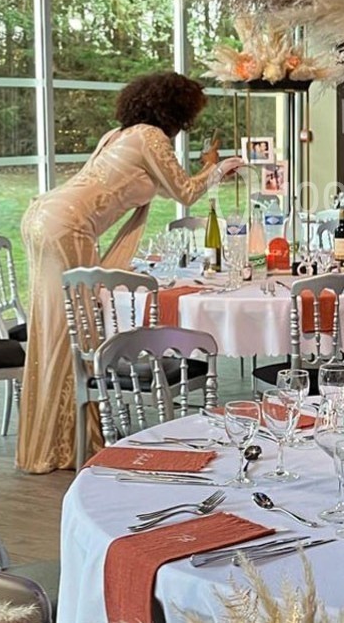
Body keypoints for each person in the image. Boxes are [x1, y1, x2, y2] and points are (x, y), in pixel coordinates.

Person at [17, 72, 242, 473]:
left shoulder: (119, 135)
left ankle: (51, 438)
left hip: (42, 216)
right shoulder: (150, 137)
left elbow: (164, 184)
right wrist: (222, 168)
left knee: (53, 324)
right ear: (177, 110)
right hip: (69, 226)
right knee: (76, 325)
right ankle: (67, 442)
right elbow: (185, 193)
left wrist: (205, 168)